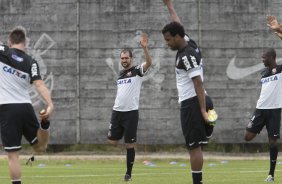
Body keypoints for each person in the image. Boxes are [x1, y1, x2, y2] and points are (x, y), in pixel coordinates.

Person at [162, 0, 217, 184]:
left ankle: (197, 182)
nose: (167, 43)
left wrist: (202, 110)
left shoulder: (186, 56)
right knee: (198, 144)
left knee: (194, 147)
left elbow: (198, 82)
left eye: (169, 40)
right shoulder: (188, 41)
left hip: (192, 103)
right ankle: (208, 124)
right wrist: (169, 5)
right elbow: (178, 23)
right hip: (201, 99)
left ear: (178, 38)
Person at [0, 26, 54, 184]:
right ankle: (44, 124)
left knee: (13, 155)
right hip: (25, 107)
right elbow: (40, 85)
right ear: (25, 43)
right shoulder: (32, 62)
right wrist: (50, 104)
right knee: (39, 148)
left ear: (10, 42)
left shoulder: (3, 51)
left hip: (6, 108)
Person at [107, 33, 152, 182]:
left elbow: (149, 63)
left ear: (131, 58)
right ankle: (124, 139)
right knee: (112, 142)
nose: (124, 60)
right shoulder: (120, 75)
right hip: (117, 112)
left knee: (129, 145)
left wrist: (145, 49)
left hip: (131, 114)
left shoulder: (137, 71)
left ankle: (128, 174)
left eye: (126, 58)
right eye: (122, 58)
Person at [244, 48, 282, 182]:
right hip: (260, 110)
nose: (262, 60)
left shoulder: (280, 70)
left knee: (272, 143)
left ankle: (271, 175)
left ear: (271, 57)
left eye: (264, 57)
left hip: (274, 111)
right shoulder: (264, 73)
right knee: (247, 136)